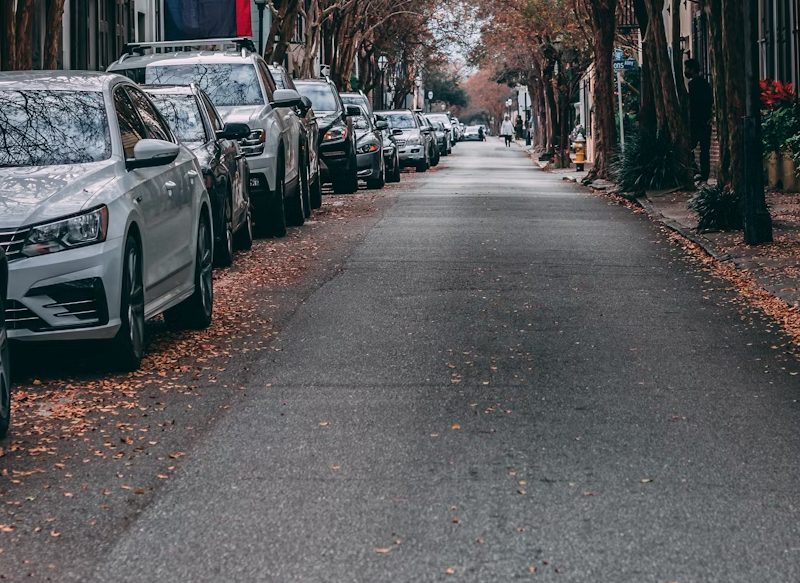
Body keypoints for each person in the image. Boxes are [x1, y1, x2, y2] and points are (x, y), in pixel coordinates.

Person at [684, 58, 713, 183]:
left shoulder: (693, 85)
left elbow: (693, 104)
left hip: (696, 121)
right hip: (705, 121)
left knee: (689, 147)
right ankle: (704, 174)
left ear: (691, 69)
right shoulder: (706, 83)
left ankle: (695, 170)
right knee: (704, 150)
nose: (685, 71)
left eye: (687, 68)